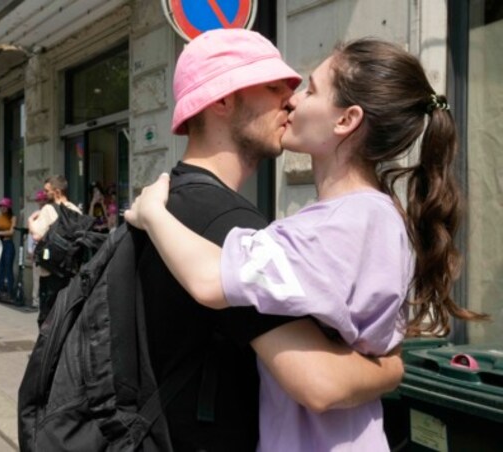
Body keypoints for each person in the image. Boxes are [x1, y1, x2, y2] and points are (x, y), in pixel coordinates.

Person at [126, 35, 487, 451]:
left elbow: (209, 280)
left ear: (346, 120)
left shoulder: (335, 228)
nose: (293, 100)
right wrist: (389, 370)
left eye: (311, 89)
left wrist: (152, 212)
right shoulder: (377, 217)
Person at [27, 175, 81, 326]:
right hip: (69, 270)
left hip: (50, 270)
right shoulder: (75, 210)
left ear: (57, 192)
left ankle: (47, 348)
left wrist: (31, 221)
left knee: (47, 316)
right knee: (65, 315)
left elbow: (37, 235)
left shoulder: (48, 209)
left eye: (47, 191)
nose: (44, 194)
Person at [26, 189, 48, 309]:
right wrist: (30, 249)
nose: (41, 202)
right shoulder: (36, 214)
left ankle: (46, 299)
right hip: (37, 249)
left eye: (43, 199)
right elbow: (30, 233)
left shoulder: (50, 213)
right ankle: (36, 300)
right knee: (37, 276)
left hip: (48, 248)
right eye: (39, 200)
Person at [0, 197, 17, 301]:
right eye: (1, 206)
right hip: (0, 244)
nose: (3, 208)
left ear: (9, 207)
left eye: (5, 206)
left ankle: (10, 292)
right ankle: (1, 291)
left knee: (8, 268)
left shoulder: (13, 217)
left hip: (8, 244)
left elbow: (11, 232)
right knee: (0, 269)